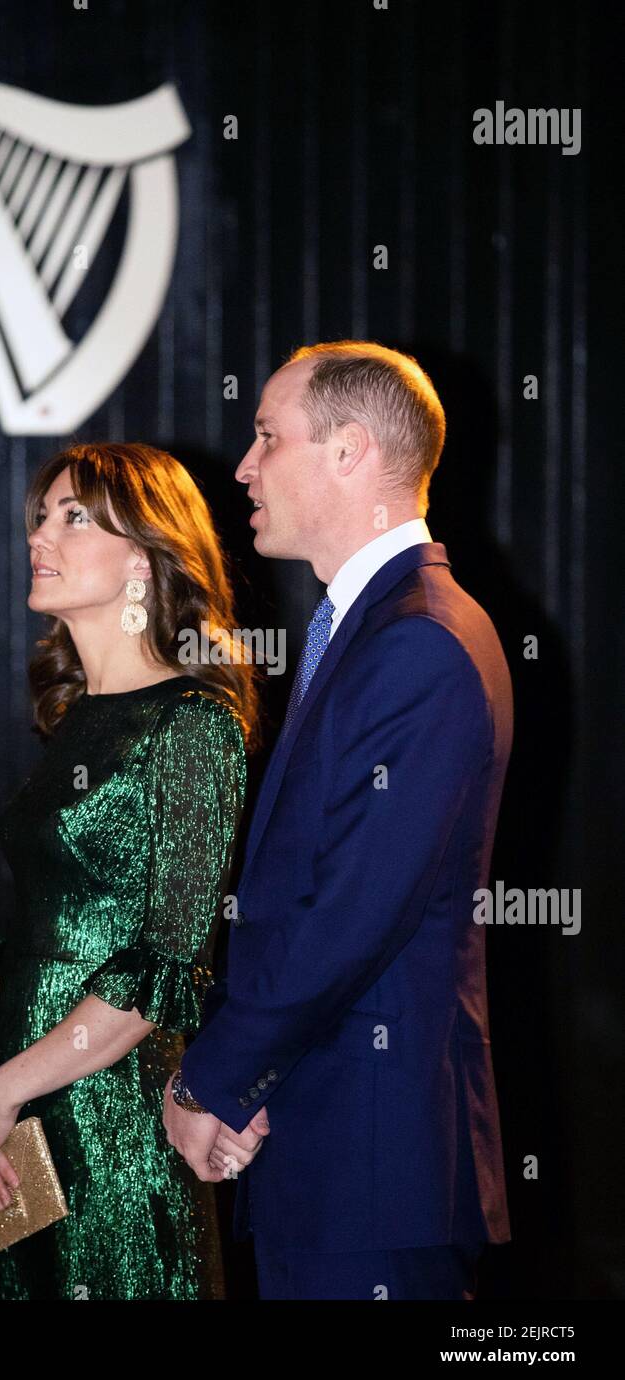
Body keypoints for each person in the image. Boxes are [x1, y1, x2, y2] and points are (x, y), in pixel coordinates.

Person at [164, 340, 513, 1300]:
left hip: (369, 1160)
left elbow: (348, 914)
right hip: (332, 1143)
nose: (242, 465)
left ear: (349, 451)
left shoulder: (420, 643)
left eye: (267, 436)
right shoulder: (381, 628)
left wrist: (213, 1081)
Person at [0, 442, 261, 1299]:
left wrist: (3, 1089)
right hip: (25, 1102)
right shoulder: (77, 719)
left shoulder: (192, 723)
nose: (42, 535)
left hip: (109, 1109)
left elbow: (166, 964)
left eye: (75, 516)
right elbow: (34, 925)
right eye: (41, 517)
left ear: (150, 558)